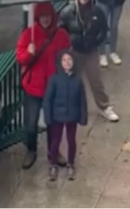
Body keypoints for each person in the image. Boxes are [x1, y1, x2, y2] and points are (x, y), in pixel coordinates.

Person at [14, 2, 70, 170]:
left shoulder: (61, 35)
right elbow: (20, 58)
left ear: (52, 16)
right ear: (38, 17)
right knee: (31, 124)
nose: (45, 19)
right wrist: (29, 52)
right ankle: (31, 150)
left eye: (48, 15)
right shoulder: (28, 35)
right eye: (42, 16)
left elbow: (67, 58)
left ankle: (54, 152)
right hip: (33, 87)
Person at [59, 0, 118, 122]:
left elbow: (104, 30)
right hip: (75, 50)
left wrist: (96, 42)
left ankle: (104, 106)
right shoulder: (68, 12)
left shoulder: (97, 11)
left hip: (91, 50)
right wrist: (69, 43)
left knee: (95, 80)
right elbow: (61, 29)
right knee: (72, 80)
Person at [42, 50, 86, 181]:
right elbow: (48, 100)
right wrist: (48, 117)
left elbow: (82, 100)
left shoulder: (78, 80)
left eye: (70, 60)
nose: (67, 63)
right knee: (55, 141)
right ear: (60, 63)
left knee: (71, 140)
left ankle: (71, 164)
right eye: (64, 60)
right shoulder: (54, 79)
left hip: (72, 115)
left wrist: (83, 116)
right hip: (57, 116)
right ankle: (53, 165)